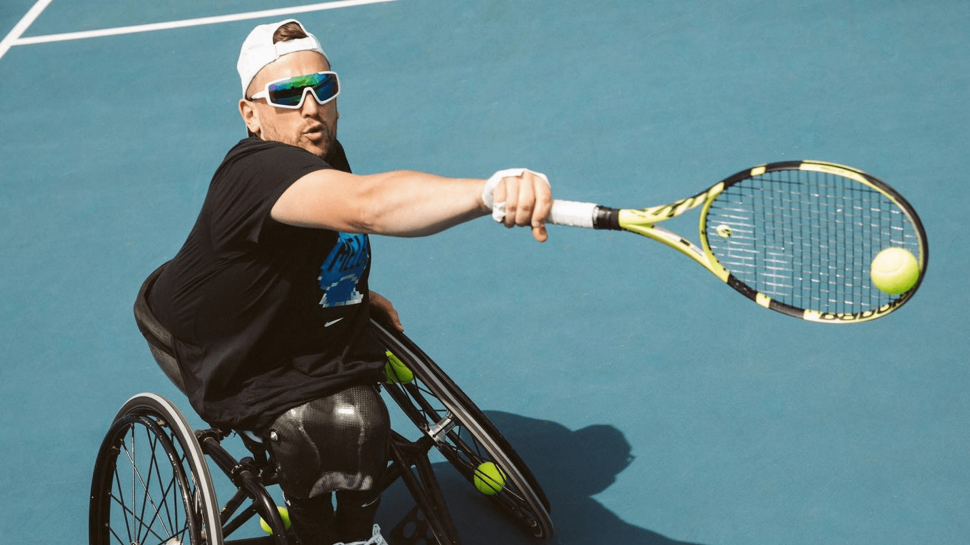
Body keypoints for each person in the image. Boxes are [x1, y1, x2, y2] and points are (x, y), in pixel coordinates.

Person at [147, 18, 553, 545]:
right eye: (288, 94)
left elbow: (321, 239)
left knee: (359, 418)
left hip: (282, 323)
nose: (311, 106)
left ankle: (357, 534)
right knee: (336, 422)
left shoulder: (319, 151)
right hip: (214, 346)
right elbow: (368, 206)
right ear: (251, 114)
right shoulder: (258, 172)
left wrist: (348, 295)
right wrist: (488, 193)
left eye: (324, 87)